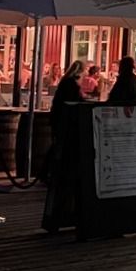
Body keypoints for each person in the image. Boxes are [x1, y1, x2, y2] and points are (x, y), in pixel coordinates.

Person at [41, 60, 84, 191]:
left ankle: (47, 172)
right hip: (63, 119)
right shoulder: (71, 84)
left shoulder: (65, 81)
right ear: (79, 72)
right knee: (58, 146)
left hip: (58, 117)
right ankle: (48, 172)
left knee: (57, 145)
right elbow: (74, 101)